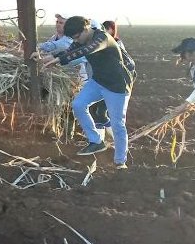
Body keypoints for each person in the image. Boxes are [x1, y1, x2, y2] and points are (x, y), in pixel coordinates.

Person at [41, 16, 134, 169]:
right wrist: (47, 58)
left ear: (86, 29)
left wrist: (59, 60)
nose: (76, 40)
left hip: (117, 86)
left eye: (77, 36)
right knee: (78, 104)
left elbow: (85, 50)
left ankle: (120, 162)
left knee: (118, 124)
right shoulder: (82, 38)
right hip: (98, 81)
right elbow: (71, 49)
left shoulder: (102, 38)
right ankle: (96, 141)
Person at [170, 37, 195, 115]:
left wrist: (184, 105)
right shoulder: (192, 66)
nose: (182, 56)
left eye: (183, 53)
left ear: (194, 52)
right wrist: (185, 105)